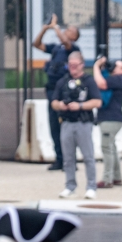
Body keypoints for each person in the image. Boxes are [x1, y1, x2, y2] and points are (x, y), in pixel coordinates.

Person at [50, 51, 102, 200]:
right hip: (66, 122)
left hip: (83, 122)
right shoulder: (63, 81)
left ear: (82, 64)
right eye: (70, 65)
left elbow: (97, 102)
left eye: (75, 65)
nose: (72, 68)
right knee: (68, 158)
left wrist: (80, 106)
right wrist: (61, 105)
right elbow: (53, 102)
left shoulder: (88, 81)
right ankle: (70, 186)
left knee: (88, 156)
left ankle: (91, 187)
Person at [33, 14, 81, 171]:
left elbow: (66, 43)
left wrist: (56, 27)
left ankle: (70, 160)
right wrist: (45, 29)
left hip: (66, 90)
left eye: (69, 31)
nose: (66, 32)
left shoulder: (73, 49)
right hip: (52, 89)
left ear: (74, 36)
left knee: (67, 125)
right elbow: (37, 44)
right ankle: (59, 159)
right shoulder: (55, 48)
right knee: (54, 125)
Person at [92, 57, 122, 188]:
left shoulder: (118, 79)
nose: (113, 67)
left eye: (117, 66)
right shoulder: (115, 79)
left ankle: (107, 179)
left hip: (110, 119)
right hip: (111, 119)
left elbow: (100, 83)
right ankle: (117, 177)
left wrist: (96, 66)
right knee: (111, 148)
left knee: (106, 148)